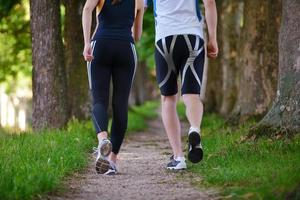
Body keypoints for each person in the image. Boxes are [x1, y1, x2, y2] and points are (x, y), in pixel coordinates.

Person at [145, 0, 218, 170]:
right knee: (191, 95)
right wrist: (213, 38)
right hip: (192, 38)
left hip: (165, 38)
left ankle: (178, 157)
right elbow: (210, 3)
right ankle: (194, 129)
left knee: (168, 99)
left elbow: (139, 7)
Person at [82, 0, 144, 175]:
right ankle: (112, 160)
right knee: (120, 104)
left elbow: (87, 9)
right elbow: (137, 35)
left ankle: (103, 140)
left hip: (100, 46)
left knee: (99, 99)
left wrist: (87, 43)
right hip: (126, 47)